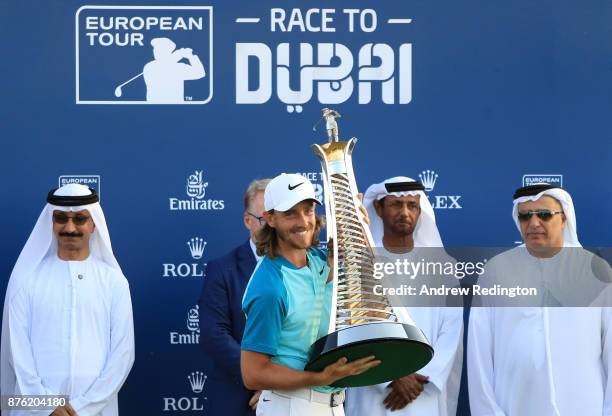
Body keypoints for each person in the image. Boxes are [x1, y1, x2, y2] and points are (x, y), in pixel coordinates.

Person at [240, 173, 380, 416]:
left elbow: (356, 264)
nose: (303, 221)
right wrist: (320, 377)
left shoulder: (316, 260)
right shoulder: (270, 288)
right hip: (292, 406)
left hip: (331, 405)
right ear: (270, 218)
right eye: (290, 213)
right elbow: (253, 374)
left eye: (307, 210)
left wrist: (356, 226)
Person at [468, 183, 612, 415]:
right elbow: (479, 354)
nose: (534, 223)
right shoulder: (496, 271)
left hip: (583, 405)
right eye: (525, 216)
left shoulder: (595, 270)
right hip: (513, 405)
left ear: (564, 218)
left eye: (544, 214)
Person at [1, 183, 135, 416]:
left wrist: (82, 408)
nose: (69, 227)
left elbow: (123, 355)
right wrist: (48, 406)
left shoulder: (114, 282)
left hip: (95, 410)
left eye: (80, 219)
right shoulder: (27, 280)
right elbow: (17, 352)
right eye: (61, 218)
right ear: (51, 224)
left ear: (94, 224)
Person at [345, 176, 463, 416]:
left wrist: (420, 378)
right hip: (372, 390)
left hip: (421, 393)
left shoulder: (442, 266)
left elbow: (451, 330)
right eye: (396, 205)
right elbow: (352, 324)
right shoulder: (357, 262)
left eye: (412, 205)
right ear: (378, 208)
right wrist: (391, 376)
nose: (405, 212)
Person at [199, 179, 270, 416]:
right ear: (247, 221)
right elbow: (215, 335)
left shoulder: (305, 268)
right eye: (263, 219)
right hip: (238, 400)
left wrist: (281, 384)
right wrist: (262, 380)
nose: (271, 226)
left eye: (276, 218)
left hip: (293, 396)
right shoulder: (222, 269)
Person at [143, 37, 205, 103]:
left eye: (160, 49)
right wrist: (189, 56)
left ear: (168, 52)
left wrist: (185, 55)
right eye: (155, 48)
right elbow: (200, 72)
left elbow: (201, 73)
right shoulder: (150, 66)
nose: (155, 51)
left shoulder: (150, 66)